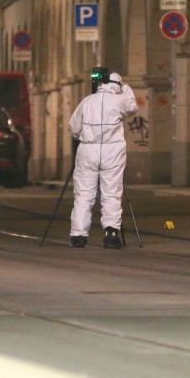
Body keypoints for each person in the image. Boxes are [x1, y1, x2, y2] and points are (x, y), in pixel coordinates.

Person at [68, 70, 138, 249]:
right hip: (112, 150)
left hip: (88, 149)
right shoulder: (119, 100)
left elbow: (74, 127)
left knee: (83, 194)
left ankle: (78, 235)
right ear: (117, 86)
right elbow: (132, 106)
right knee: (111, 192)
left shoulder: (87, 101)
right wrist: (126, 88)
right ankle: (111, 233)